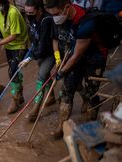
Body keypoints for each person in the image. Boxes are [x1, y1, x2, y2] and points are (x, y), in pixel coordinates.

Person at [44, 0, 108, 138]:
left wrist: (61, 72)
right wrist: (59, 62)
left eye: (56, 14)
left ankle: (91, 124)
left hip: (94, 58)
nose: (55, 18)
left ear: (67, 7)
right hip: (75, 54)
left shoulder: (86, 22)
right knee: (67, 90)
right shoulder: (65, 18)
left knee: (92, 93)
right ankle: (61, 126)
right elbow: (65, 43)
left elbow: (77, 55)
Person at [0, 0, 29, 114]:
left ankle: (15, 99)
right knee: (14, 71)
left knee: (12, 71)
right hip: (9, 46)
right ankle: (19, 94)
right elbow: (4, 29)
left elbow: (14, 35)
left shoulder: (13, 12)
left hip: (19, 45)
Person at [22, 0, 57, 121]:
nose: (28, 14)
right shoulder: (33, 19)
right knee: (46, 73)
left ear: (38, 10)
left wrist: (30, 58)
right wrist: (28, 56)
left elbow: (43, 44)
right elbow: (34, 41)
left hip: (51, 52)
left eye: (30, 12)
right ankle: (51, 97)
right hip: (40, 53)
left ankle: (35, 110)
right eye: (26, 12)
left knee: (41, 77)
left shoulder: (46, 20)